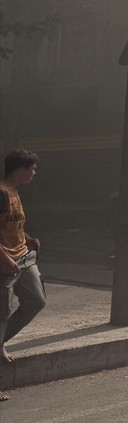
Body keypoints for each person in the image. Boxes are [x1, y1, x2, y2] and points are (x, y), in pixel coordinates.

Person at [1, 149, 45, 402]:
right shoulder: (1, 192)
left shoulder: (14, 192)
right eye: (32, 169)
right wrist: (4, 259)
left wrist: (28, 238)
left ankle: (0, 342)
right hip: (5, 263)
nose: (35, 173)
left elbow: (11, 224)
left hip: (24, 258)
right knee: (2, 314)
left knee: (36, 301)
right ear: (20, 170)